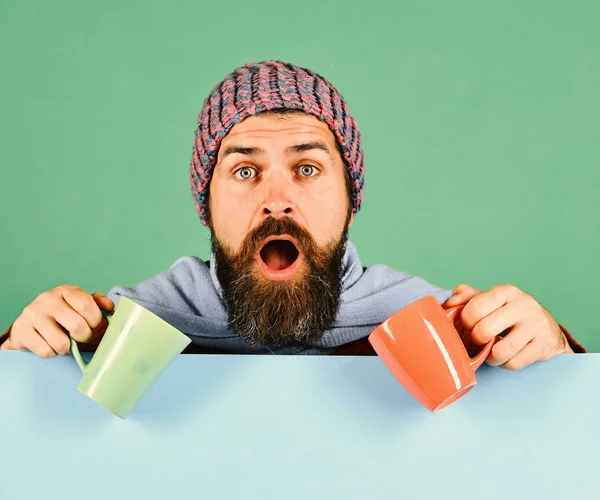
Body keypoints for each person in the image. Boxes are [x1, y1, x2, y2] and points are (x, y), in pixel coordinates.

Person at [0, 60, 585, 368]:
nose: (276, 198)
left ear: (351, 196)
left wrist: (557, 356)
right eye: (245, 171)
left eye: (307, 169)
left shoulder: (439, 326)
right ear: (205, 203)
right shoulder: (117, 331)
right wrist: (17, 359)